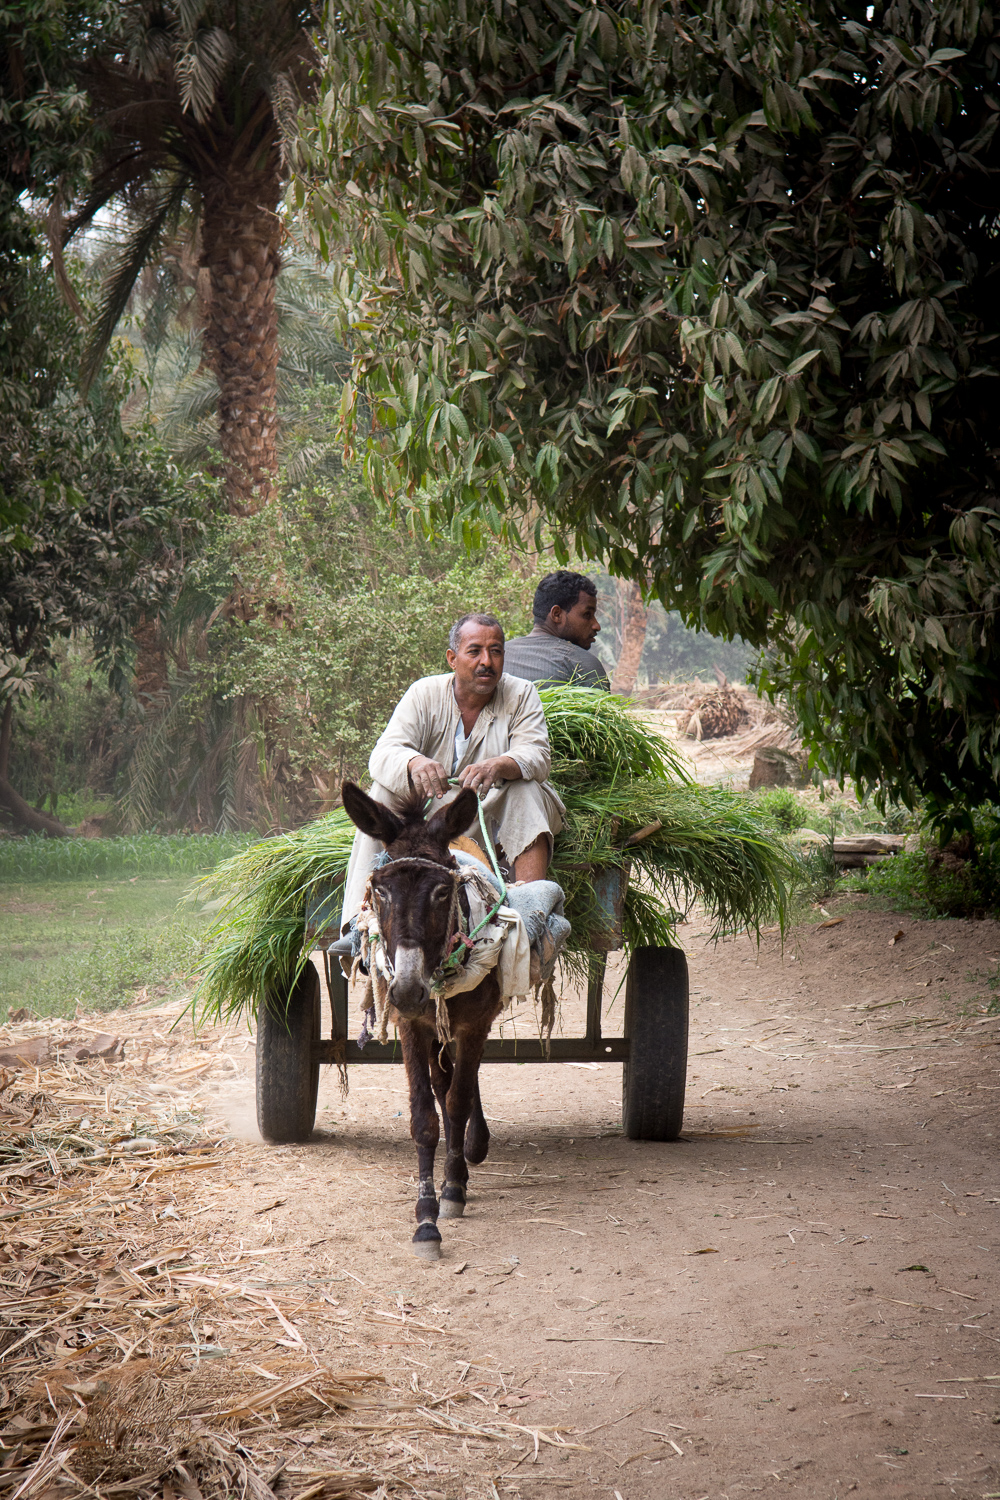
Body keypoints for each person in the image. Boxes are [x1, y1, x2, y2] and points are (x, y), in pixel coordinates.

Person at [340, 613, 565, 930]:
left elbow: (538, 755)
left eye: (496, 651)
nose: (487, 661)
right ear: (452, 658)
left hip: (491, 819)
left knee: (526, 790)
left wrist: (499, 764)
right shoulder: (423, 694)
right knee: (381, 791)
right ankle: (358, 921)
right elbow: (383, 754)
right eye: (474, 651)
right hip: (433, 826)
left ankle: (532, 920)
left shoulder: (522, 693)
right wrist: (414, 762)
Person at [502, 570, 610, 689]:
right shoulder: (583, 666)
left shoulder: (499, 655)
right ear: (557, 614)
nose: (596, 626)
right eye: (587, 615)